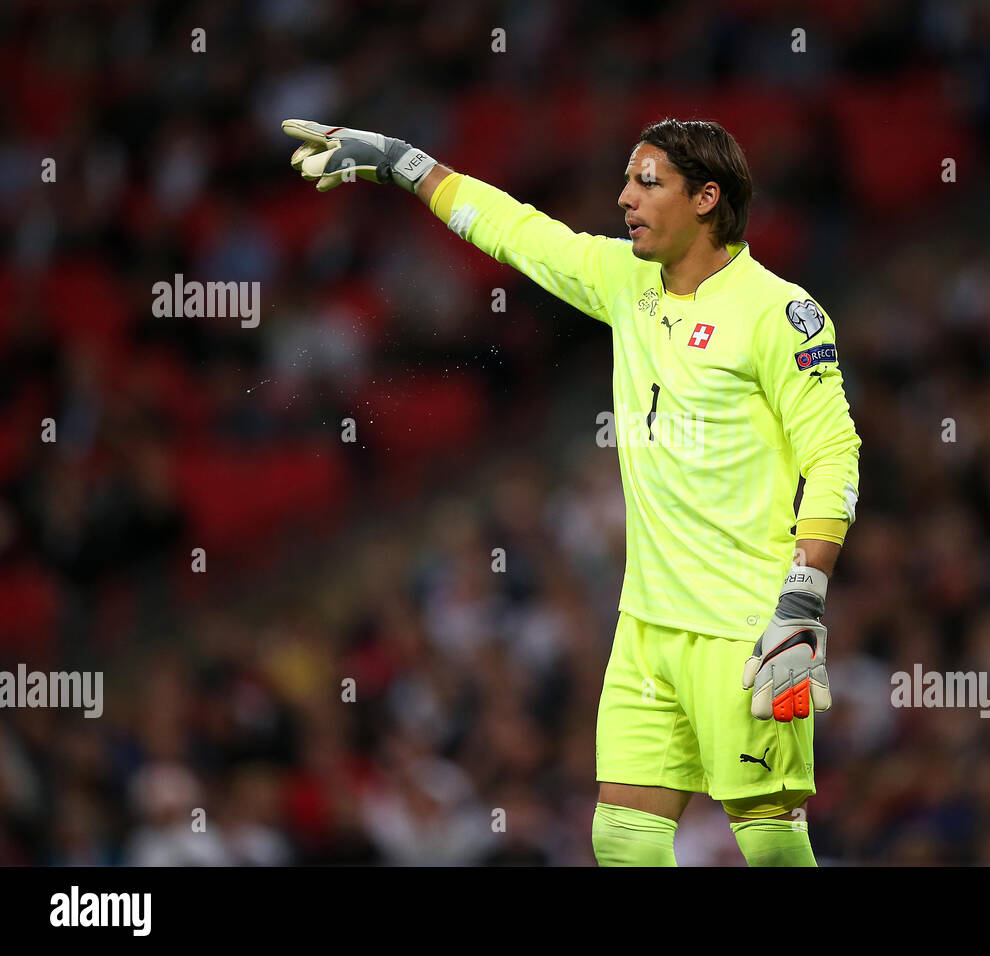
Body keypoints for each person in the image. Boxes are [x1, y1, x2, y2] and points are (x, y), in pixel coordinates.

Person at [282, 116, 861, 866]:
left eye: (647, 183)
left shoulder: (781, 314)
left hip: (746, 625)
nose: (624, 198)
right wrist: (405, 163)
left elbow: (834, 453)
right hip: (646, 627)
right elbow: (518, 232)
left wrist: (803, 599)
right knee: (620, 840)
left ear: (707, 198)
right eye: (626, 180)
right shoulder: (628, 282)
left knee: (771, 843)